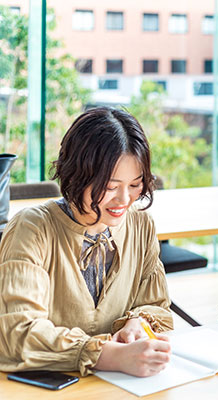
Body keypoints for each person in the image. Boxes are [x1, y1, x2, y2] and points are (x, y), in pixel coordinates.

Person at [0, 107, 173, 377]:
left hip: (118, 386)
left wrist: (138, 323)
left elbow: (158, 306)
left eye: (135, 185)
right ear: (77, 175)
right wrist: (109, 355)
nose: (124, 200)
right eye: (111, 186)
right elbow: (18, 333)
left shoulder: (141, 225)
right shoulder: (32, 228)